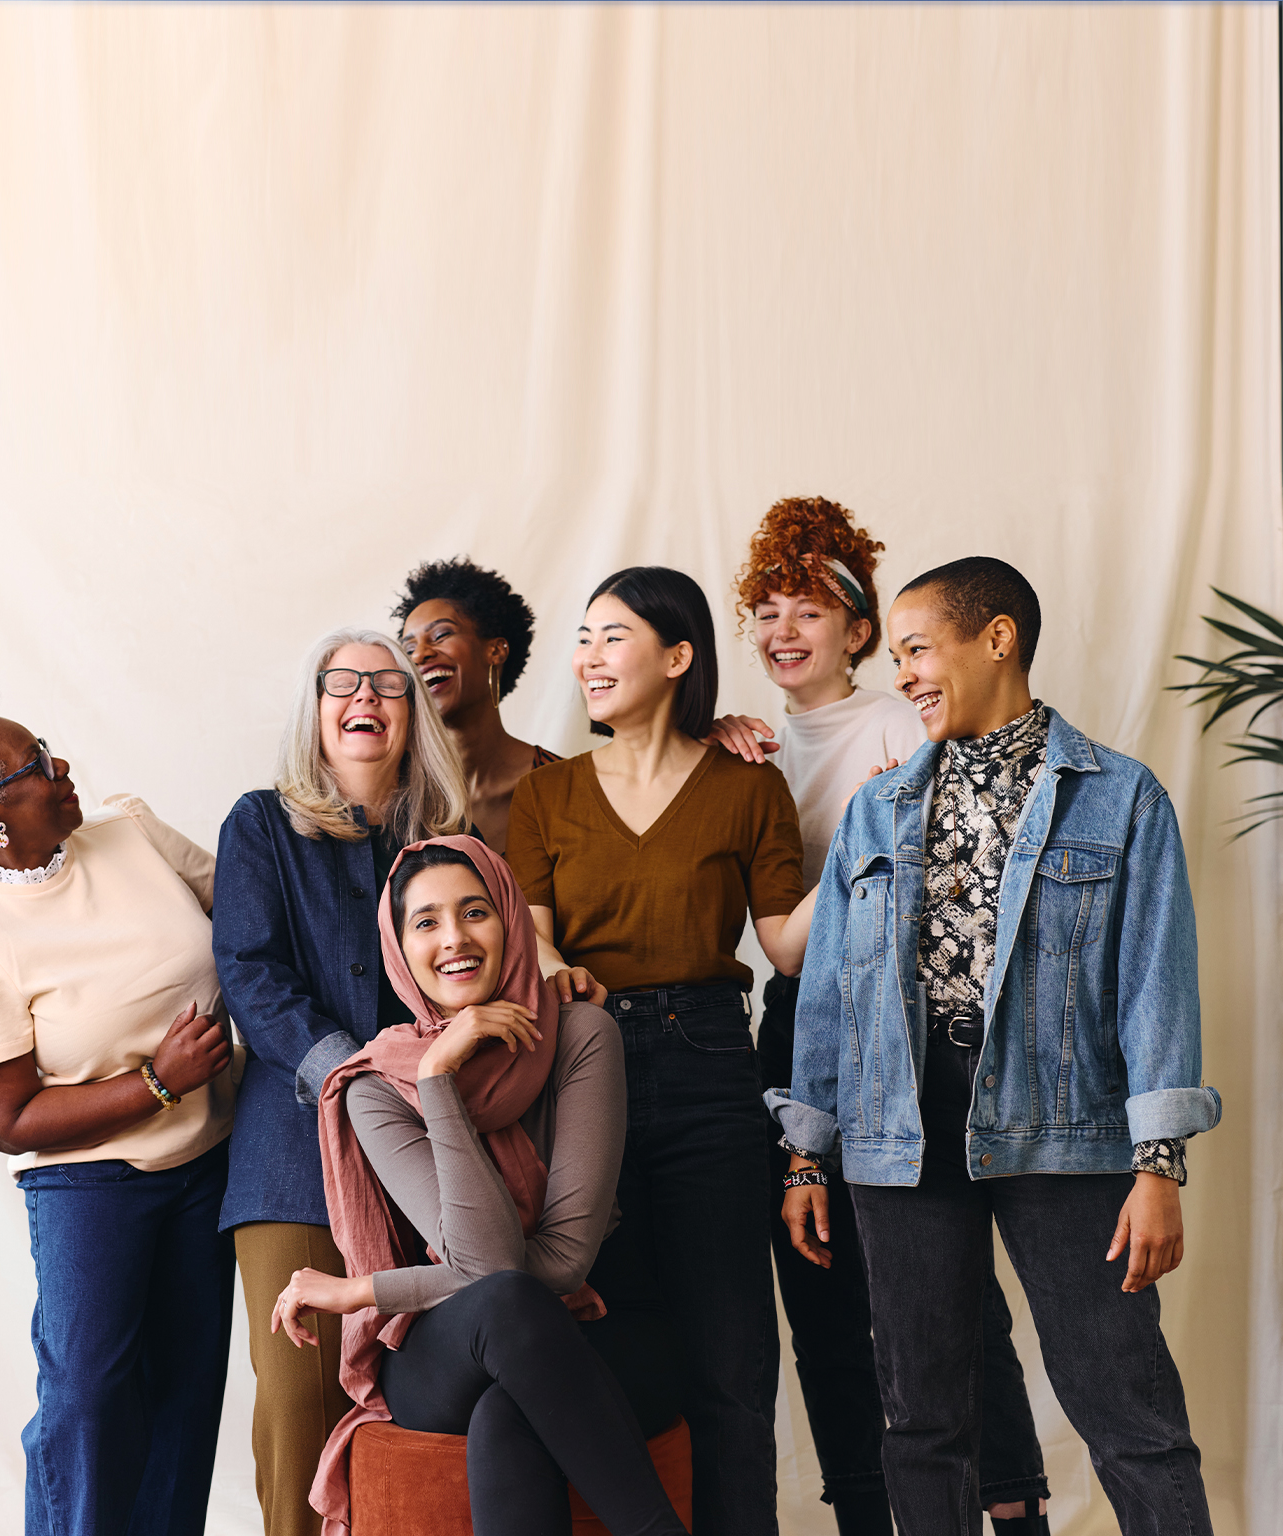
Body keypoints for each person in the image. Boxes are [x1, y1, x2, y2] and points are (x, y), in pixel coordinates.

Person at [780, 558, 1221, 1536]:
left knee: (1128, 1408)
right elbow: (831, 992)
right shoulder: (878, 808)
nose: (907, 675)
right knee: (924, 1418)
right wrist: (807, 1148)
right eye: (895, 657)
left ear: (998, 639)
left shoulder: (1119, 797)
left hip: (1061, 1115)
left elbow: (1155, 984)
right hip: (901, 1123)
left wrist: (1158, 1164)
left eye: (918, 649)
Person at [709, 498, 1050, 1535]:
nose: (782, 632)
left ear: (860, 631)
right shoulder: (739, 744)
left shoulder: (907, 717)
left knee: (945, 1294)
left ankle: (1013, 1508)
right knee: (818, 1291)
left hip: (905, 1021)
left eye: (807, 611)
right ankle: (866, 1511)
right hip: (796, 1016)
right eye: (764, 611)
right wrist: (713, 749)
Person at [505, 566, 817, 1536]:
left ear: (677, 658)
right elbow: (530, 931)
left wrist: (866, 847)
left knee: (731, 1360)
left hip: (714, 1067)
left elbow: (781, 944)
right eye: (585, 638)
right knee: (613, 1342)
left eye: (613, 637)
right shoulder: (546, 793)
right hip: (583, 1068)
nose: (589, 658)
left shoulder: (747, 787)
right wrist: (555, 964)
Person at [0, 682, 237, 1536]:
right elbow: (4, 1119)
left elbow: (248, 918)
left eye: (48, 749)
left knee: (186, 1394)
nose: (63, 766)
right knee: (89, 1403)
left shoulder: (131, 835)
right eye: (37, 765)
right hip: (92, 1187)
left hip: (211, 1161)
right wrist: (156, 1082)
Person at [272, 836, 687, 1536]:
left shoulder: (582, 1035)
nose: (454, 939)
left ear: (512, 923)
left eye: (476, 912)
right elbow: (492, 1269)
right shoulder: (377, 1086)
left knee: (508, 1411)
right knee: (503, 1303)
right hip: (444, 1346)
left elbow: (560, 1265)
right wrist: (437, 1078)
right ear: (398, 948)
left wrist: (363, 1292)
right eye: (425, 922)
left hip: (597, 1320)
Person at [212, 629, 470, 1536]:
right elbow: (249, 974)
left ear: (414, 712)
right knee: (297, 1407)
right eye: (343, 683)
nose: (365, 696)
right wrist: (351, 1072)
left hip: (425, 1152)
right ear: (317, 708)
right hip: (290, 1157)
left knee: (416, 1406)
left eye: (388, 685)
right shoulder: (260, 824)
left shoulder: (449, 839)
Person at [394, 556, 561, 855]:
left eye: (441, 635)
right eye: (408, 649)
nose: (419, 655)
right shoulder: (395, 794)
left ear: (495, 650)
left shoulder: (564, 784)